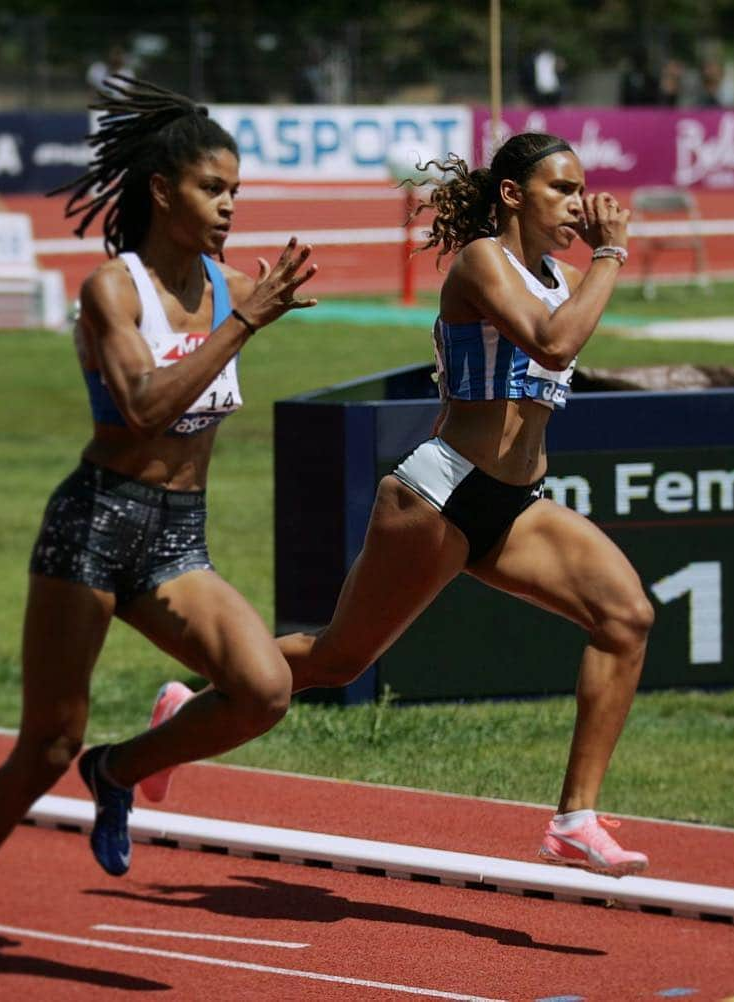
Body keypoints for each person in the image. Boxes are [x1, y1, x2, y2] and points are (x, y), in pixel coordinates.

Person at [0, 75, 317, 916]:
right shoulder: (112, 289)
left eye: (237, 189)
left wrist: (240, 313)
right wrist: (244, 325)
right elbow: (144, 406)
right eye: (213, 188)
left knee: (263, 688)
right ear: (163, 190)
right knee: (47, 741)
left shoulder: (230, 284)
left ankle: (117, 770)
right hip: (94, 522)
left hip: (175, 535)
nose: (230, 205)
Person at [275, 132, 651, 875]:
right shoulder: (485, 261)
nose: (580, 204)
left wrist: (591, 268)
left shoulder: (552, 275)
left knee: (626, 617)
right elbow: (551, 344)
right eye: (562, 189)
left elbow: (555, 337)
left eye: (581, 190)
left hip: (516, 504)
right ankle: (200, 696)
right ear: (512, 195)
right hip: (441, 494)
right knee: (337, 660)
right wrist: (609, 257)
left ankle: (574, 820)